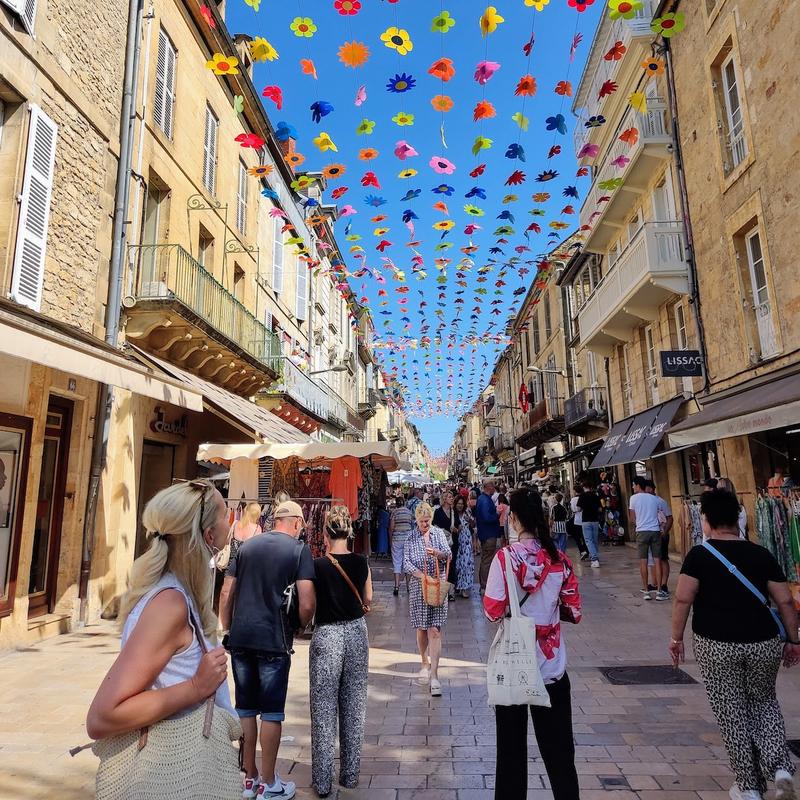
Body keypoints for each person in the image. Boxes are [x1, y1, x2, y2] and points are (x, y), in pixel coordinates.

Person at [86, 481, 240, 797]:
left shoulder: (175, 593)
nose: (232, 520)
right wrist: (196, 687)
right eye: (227, 514)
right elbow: (103, 715)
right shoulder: (170, 604)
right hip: (172, 773)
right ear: (209, 535)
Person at [670, 490, 800, 800]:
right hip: (763, 642)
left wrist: (675, 638)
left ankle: (749, 787)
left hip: (716, 644)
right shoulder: (761, 554)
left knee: (732, 713)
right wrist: (794, 640)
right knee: (764, 702)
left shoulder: (699, 555)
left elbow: (682, 598)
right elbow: (785, 600)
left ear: (707, 521)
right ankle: (780, 768)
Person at [484, 487, 582, 800]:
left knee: (510, 753)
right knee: (560, 755)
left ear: (513, 519)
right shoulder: (560, 560)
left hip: (515, 666)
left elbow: (492, 610)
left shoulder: (504, 559)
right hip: (550, 666)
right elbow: (574, 612)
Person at [219, 500, 316, 800]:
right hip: (274, 638)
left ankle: (249, 779)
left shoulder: (246, 546)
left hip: (242, 637)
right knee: (272, 712)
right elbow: (308, 601)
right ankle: (270, 782)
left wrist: (226, 627)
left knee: (246, 707)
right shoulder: (299, 551)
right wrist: (301, 625)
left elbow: (226, 590)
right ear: (297, 523)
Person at [309, 506, 372, 798]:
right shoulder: (362, 562)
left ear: (325, 533)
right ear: (349, 533)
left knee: (323, 707)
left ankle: (322, 781)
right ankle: (350, 774)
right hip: (357, 633)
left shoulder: (318, 565)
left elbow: (308, 604)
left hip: (327, 634)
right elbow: (368, 598)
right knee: (354, 705)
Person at [403, 502, 452, 697]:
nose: (425, 525)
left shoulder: (438, 534)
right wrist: (419, 575)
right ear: (416, 520)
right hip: (418, 587)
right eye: (422, 521)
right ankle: (424, 661)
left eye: (427, 521)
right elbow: (405, 561)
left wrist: (438, 553)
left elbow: (448, 554)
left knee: (435, 629)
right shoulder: (410, 537)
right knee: (421, 627)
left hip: (436, 586)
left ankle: (434, 674)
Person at [629, 477, 667, 600]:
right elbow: (660, 516)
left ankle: (646, 591)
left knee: (643, 561)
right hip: (655, 531)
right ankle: (659, 590)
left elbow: (632, 517)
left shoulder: (633, 498)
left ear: (638, 485)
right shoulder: (655, 499)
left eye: (633, 485)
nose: (633, 487)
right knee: (657, 561)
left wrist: (639, 523)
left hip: (642, 531)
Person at [645, 480, 674, 597]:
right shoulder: (646, 502)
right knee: (652, 560)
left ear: (651, 489)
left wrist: (665, 532)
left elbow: (670, 518)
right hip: (650, 533)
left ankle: (664, 584)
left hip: (661, 533)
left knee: (662, 558)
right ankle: (655, 583)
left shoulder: (660, 501)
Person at [433, 490, 460, 601]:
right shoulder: (438, 512)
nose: (451, 498)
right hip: (441, 542)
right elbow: (434, 526)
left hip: (452, 542)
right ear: (444, 499)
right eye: (449, 497)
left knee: (452, 565)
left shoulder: (454, 512)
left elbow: (459, 527)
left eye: (452, 496)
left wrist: (456, 529)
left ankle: (451, 592)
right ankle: (441, 590)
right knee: (441, 566)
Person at [476, 480, 502, 592]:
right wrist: (497, 514)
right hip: (488, 534)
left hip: (486, 533)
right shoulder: (485, 500)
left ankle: (483, 583)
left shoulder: (483, 499)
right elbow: (487, 517)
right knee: (487, 559)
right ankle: (485, 584)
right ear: (488, 487)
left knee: (485, 559)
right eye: (492, 486)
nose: (494, 488)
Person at [389, 497, 414, 596]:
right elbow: (412, 526)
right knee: (407, 562)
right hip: (408, 540)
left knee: (397, 562)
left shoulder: (394, 512)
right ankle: (408, 586)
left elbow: (391, 527)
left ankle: (396, 586)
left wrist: (390, 540)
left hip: (397, 540)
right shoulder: (409, 512)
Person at [453, 494, 476, 598]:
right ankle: (458, 586)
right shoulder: (453, 514)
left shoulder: (467, 512)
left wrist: (469, 520)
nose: (460, 506)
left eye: (462, 504)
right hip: (456, 541)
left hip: (466, 541)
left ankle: (464, 588)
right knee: (458, 565)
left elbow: (474, 524)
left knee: (466, 564)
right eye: (458, 504)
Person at [577, 482, 602, 568]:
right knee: (594, 540)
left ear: (583, 487)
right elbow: (600, 509)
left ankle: (594, 559)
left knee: (588, 540)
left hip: (586, 521)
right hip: (595, 520)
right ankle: (594, 556)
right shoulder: (595, 496)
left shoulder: (582, 496)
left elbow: (579, 509)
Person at [569, 488, 589, 560]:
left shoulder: (573, 500)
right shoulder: (583, 498)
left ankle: (582, 551)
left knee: (577, 537)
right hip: (584, 519)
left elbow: (572, 509)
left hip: (576, 520)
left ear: (575, 491)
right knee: (584, 537)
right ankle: (586, 550)